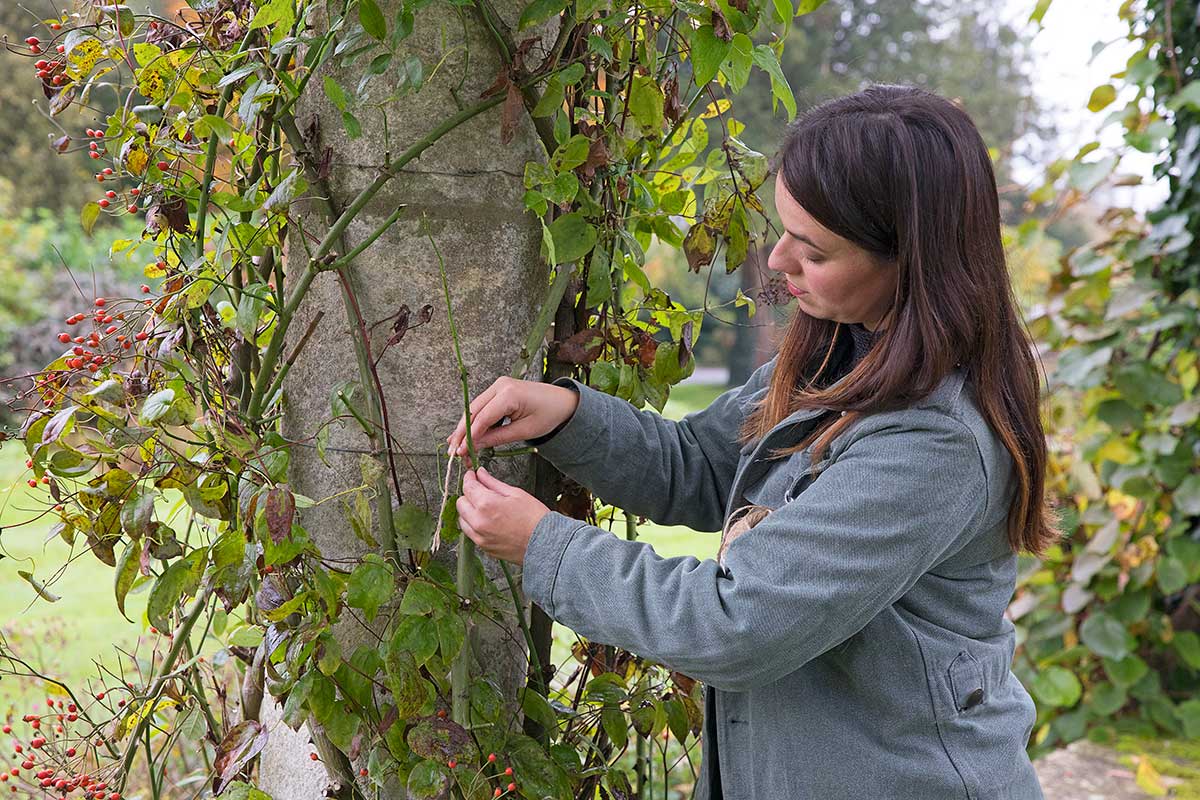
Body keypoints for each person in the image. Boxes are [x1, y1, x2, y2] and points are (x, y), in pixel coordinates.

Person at [444, 83, 1057, 799]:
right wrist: (567, 417)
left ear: (910, 260)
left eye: (815, 249)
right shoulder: (843, 356)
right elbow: (700, 467)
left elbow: (735, 626)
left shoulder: (934, 442)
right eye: (785, 229)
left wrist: (544, 544)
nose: (777, 262)